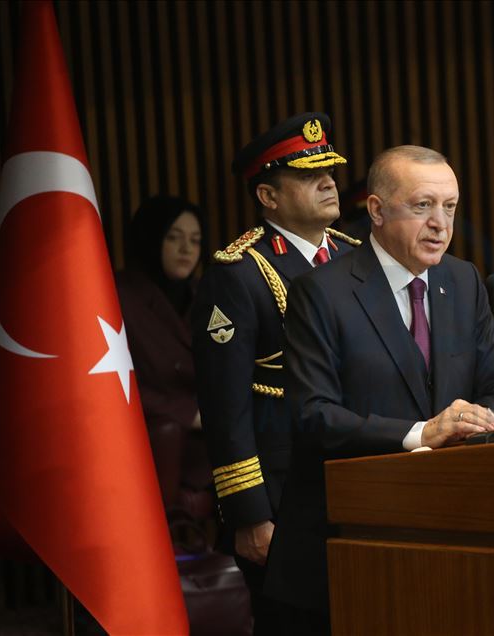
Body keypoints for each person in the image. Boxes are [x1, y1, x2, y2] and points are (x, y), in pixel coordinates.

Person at [266, 145, 494, 632]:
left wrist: (478, 422)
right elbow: (313, 414)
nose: (440, 224)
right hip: (344, 551)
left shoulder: (462, 280)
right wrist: (421, 433)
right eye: (422, 205)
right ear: (377, 210)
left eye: (449, 207)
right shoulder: (320, 293)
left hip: (448, 543)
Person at [191, 112, 359, 633]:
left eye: (329, 171)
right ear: (268, 196)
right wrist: (249, 514)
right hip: (285, 491)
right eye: (309, 176)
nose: (329, 183)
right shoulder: (239, 273)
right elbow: (224, 404)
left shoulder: (357, 256)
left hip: (360, 473)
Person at [115, 195, 213, 518]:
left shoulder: (206, 294)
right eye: (174, 237)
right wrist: (188, 412)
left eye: (195, 240)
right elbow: (108, 383)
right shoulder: (117, 296)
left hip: (209, 437)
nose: (187, 249)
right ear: (151, 237)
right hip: (147, 440)